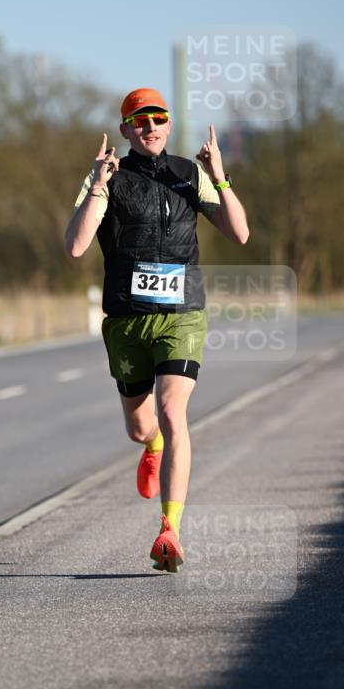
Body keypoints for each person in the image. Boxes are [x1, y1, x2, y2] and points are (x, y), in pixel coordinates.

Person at [65, 88, 249, 572]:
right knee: (141, 426)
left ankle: (170, 529)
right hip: (127, 319)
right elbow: (77, 245)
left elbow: (240, 233)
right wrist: (99, 186)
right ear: (126, 130)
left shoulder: (189, 175)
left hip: (182, 315)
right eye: (139, 121)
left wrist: (220, 179)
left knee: (172, 410)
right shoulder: (109, 175)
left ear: (169, 125)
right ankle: (151, 447)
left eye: (158, 119)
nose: (150, 128)